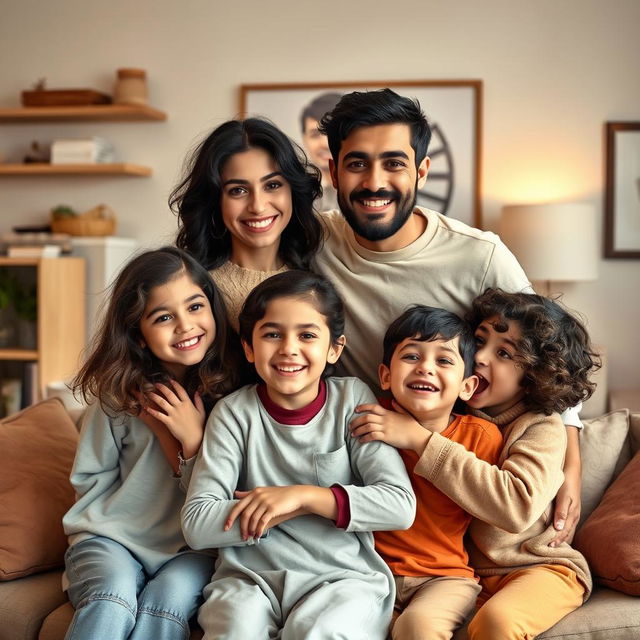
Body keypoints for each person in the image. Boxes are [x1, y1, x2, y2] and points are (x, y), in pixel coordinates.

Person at [313, 87, 583, 544]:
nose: (374, 181)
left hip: (454, 461)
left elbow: (545, 348)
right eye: (357, 163)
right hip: (357, 454)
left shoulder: (480, 255)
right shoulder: (312, 241)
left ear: (421, 171)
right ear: (334, 172)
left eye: (394, 163)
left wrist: (571, 468)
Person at [181, 270, 416, 639]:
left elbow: (399, 505)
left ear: (334, 348)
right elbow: (198, 523)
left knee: (317, 631)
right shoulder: (232, 414)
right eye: (272, 334)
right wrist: (272, 509)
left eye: (307, 335)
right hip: (249, 580)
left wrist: (303, 497)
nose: (289, 348)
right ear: (248, 347)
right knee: (235, 629)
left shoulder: (352, 400)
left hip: (342, 579)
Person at [352, 289, 599, 639]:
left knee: (497, 621)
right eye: (478, 341)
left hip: (536, 566)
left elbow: (515, 508)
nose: (480, 357)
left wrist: (421, 441)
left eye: (503, 353)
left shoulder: (541, 427)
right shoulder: (444, 406)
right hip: (462, 576)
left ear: (535, 373)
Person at [62, 246, 240, 640]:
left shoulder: (237, 398)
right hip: (111, 541)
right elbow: (91, 481)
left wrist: (189, 442)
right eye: (163, 317)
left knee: (168, 601)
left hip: (194, 550)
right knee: (111, 596)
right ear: (138, 336)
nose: (185, 326)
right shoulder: (118, 396)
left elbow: (223, 499)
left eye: (195, 307)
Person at [349, 305, 503, 639]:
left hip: (444, 578)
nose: (425, 369)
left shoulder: (480, 436)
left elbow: (489, 502)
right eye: (411, 357)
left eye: (444, 360)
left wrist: (418, 440)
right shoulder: (366, 420)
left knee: (417, 628)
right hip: (368, 573)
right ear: (386, 375)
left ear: (467, 387)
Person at [171, 117, 324, 330]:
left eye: (272, 185)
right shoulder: (190, 289)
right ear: (215, 201)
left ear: (293, 192)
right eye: (238, 190)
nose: (258, 206)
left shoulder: (322, 270)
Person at [299, 91, 342, 211]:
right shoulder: (292, 193)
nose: (325, 143)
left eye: (333, 132)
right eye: (315, 135)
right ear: (305, 140)